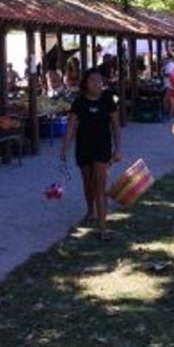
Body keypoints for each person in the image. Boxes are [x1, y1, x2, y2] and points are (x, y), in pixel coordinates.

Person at [60, 67, 122, 240]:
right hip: (83, 147)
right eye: (93, 80)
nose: (97, 84)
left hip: (102, 147)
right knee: (88, 183)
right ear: (85, 83)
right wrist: (64, 148)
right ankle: (90, 212)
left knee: (99, 185)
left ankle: (103, 227)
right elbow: (72, 127)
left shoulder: (108, 100)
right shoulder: (79, 102)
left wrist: (118, 149)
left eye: (100, 81)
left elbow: (115, 125)